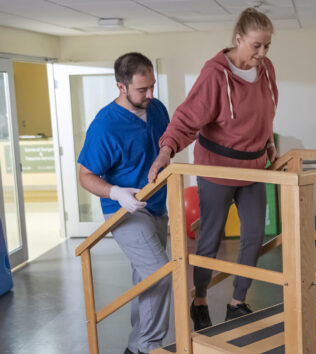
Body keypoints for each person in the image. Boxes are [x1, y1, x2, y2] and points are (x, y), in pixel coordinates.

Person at [147, 8, 278, 331]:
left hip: (253, 168)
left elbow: (266, 110)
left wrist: (267, 142)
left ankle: (237, 303)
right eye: (256, 45)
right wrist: (166, 150)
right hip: (216, 168)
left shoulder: (266, 70)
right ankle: (200, 298)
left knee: (254, 235)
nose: (262, 54)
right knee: (210, 239)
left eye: (267, 47)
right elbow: (188, 118)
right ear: (238, 39)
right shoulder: (215, 73)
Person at [77, 52, 171, 354]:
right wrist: (115, 192)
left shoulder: (157, 109)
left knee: (145, 277)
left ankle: (135, 345)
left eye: (152, 86)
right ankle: (147, 346)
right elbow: (86, 175)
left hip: (157, 205)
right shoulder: (105, 125)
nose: (150, 94)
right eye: (142, 90)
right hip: (125, 211)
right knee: (159, 272)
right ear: (121, 86)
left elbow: (167, 144)